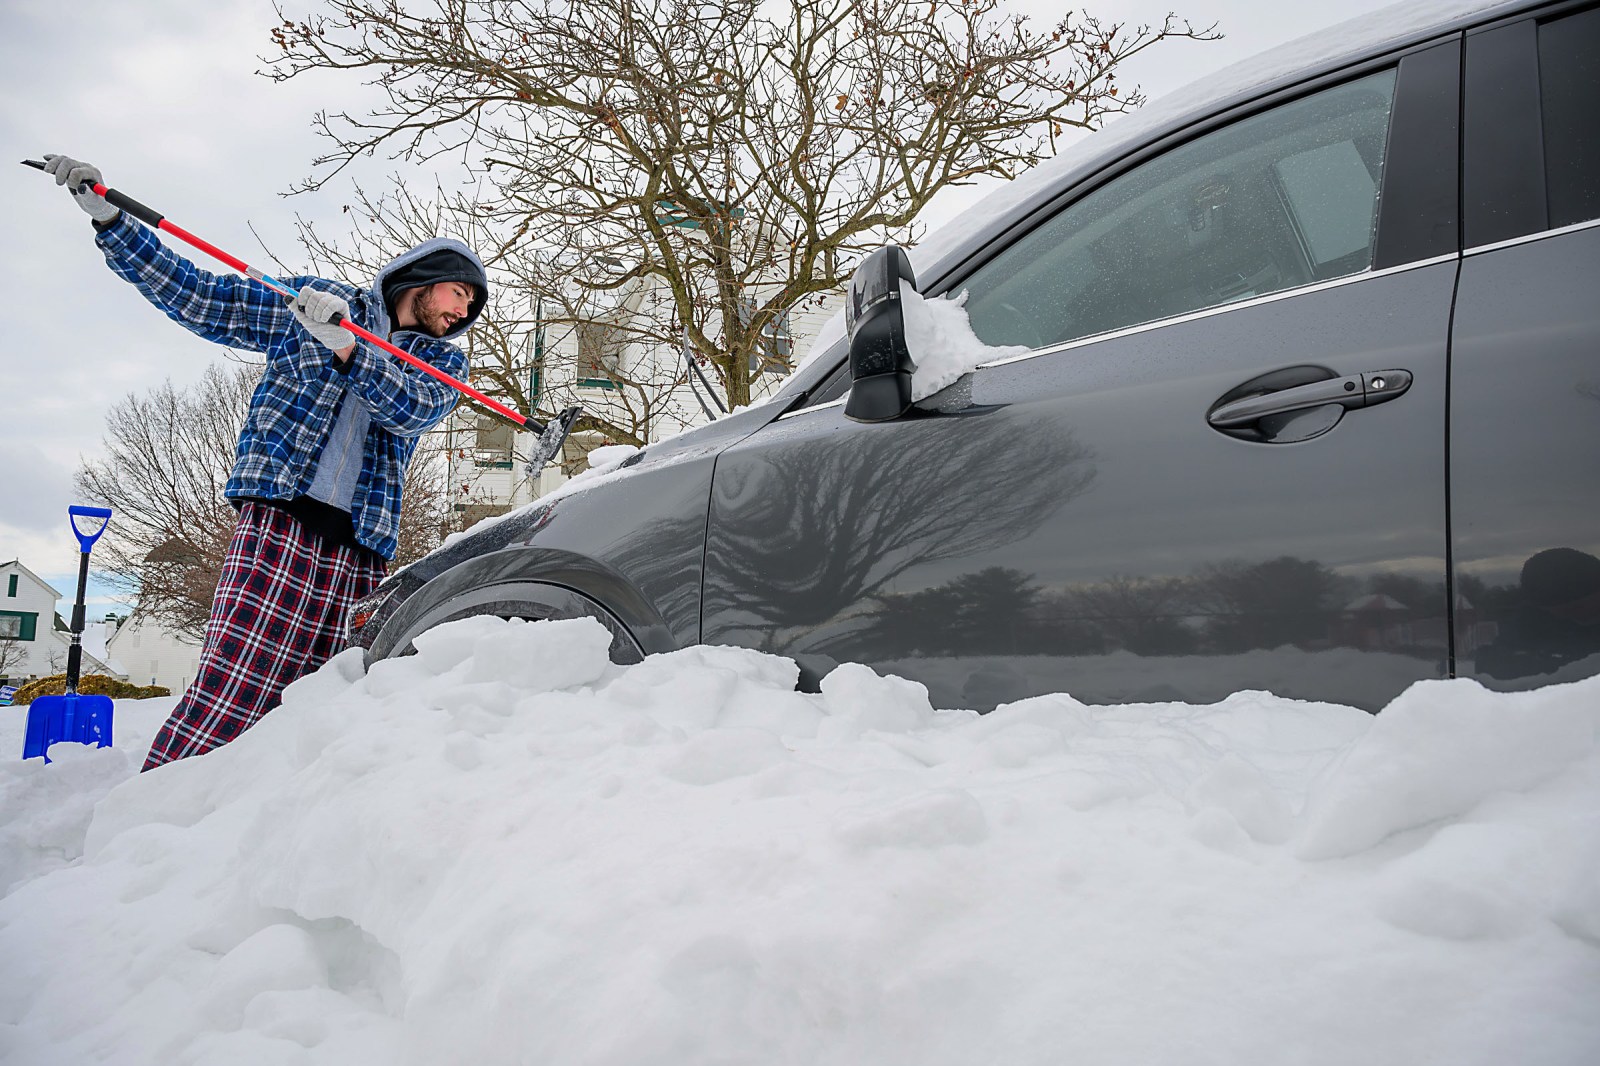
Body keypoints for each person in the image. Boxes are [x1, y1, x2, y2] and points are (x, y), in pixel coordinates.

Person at [43, 154, 490, 771]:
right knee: (236, 685)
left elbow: (410, 409)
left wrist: (352, 353)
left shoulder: (445, 364)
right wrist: (114, 223)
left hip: (360, 548)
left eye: (471, 307)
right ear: (423, 277)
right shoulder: (315, 306)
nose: (462, 313)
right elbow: (203, 299)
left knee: (322, 700)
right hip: (280, 519)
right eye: (459, 293)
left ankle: (262, 831)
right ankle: (153, 813)